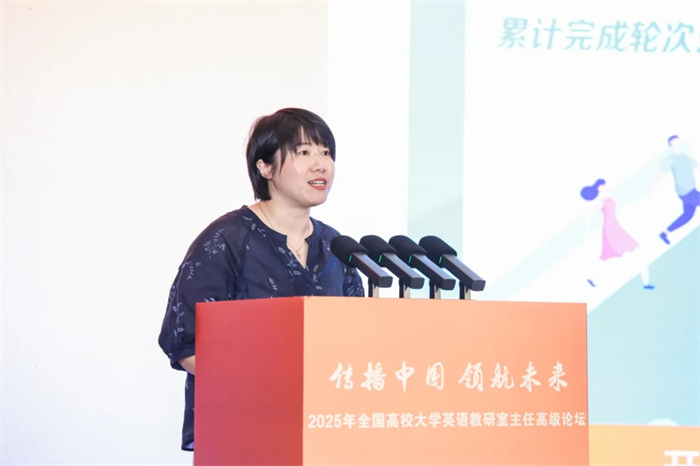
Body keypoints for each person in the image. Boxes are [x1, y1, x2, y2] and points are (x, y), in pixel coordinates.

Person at [157, 108, 365, 453]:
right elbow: (184, 344)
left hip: (325, 432)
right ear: (265, 167)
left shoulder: (336, 247)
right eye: (304, 152)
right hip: (243, 434)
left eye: (326, 152)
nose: (321, 165)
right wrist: (266, 387)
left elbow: (357, 341)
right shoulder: (226, 240)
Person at [580, 178, 654, 290]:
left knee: (611, 260)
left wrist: (638, 204)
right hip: (611, 230)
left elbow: (620, 206)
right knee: (632, 253)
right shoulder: (600, 202)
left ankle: (592, 279)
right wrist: (587, 229)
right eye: (604, 185)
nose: (606, 187)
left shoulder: (607, 199)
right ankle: (646, 283)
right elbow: (590, 213)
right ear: (600, 187)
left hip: (614, 228)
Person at [656, 135, 700, 245]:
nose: (678, 144)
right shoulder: (670, 159)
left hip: (691, 190)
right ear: (671, 145)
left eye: (678, 142)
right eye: (675, 143)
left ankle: (664, 233)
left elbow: (696, 165)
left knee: (687, 215)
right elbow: (660, 171)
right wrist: (653, 190)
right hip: (685, 192)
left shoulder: (684, 157)